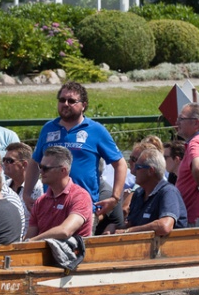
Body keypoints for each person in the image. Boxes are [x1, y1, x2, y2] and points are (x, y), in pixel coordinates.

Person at [25, 82, 126, 218]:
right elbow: (34, 162)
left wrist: (115, 197)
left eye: (71, 101)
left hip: (82, 208)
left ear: (83, 105)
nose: (65, 104)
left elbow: (120, 164)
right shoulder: (48, 128)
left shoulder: (96, 130)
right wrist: (26, 194)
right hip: (50, 208)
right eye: (62, 100)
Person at [110, 147, 187, 235]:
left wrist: (128, 231)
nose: (133, 171)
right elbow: (132, 224)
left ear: (150, 171)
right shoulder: (138, 193)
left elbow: (164, 226)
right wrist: (115, 227)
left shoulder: (168, 192)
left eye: (138, 167)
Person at [28, 146, 94, 241]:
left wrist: (33, 241)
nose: (41, 171)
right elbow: (29, 236)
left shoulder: (80, 196)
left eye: (45, 168)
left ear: (63, 170)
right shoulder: (40, 202)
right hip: (45, 250)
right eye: (40, 167)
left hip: (73, 251)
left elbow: (65, 231)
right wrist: (28, 242)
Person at [3, 142, 43, 211]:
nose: (4, 163)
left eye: (9, 160)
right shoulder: (4, 186)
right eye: (4, 160)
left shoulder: (38, 188)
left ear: (24, 164)